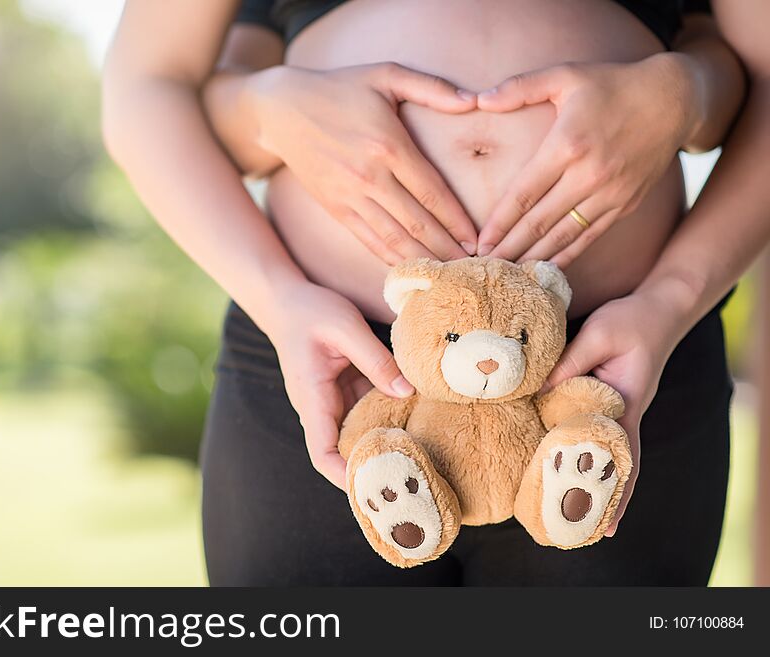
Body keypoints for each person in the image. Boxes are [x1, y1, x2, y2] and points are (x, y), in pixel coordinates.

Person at [101, 0, 765, 585]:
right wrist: (278, 300)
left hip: (614, 364)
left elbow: (748, 72)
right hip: (336, 363)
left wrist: (670, 298)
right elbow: (148, 82)